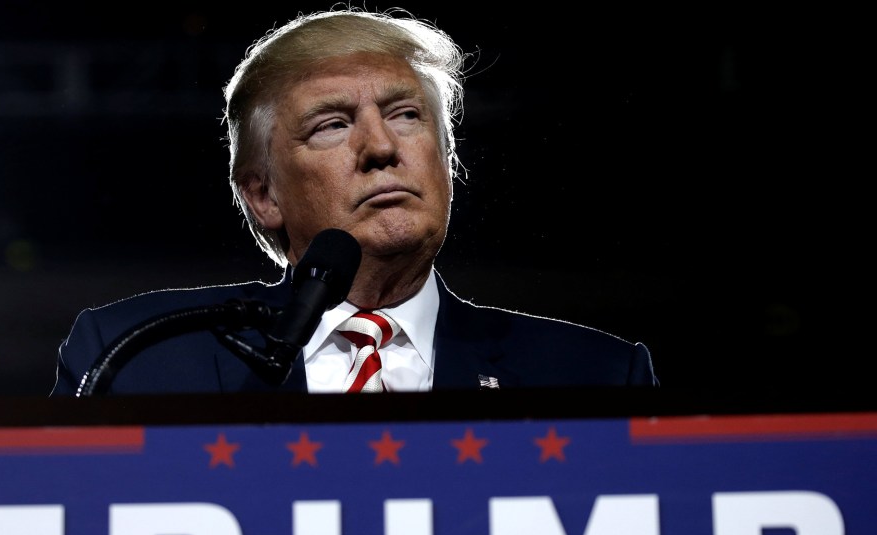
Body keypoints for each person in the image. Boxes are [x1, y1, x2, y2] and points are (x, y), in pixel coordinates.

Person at [50, 6, 657, 396]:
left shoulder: (593, 376)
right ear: (262, 194)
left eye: (406, 115)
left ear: (445, 160)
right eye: (332, 125)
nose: (381, 147)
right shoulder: (138, 358)